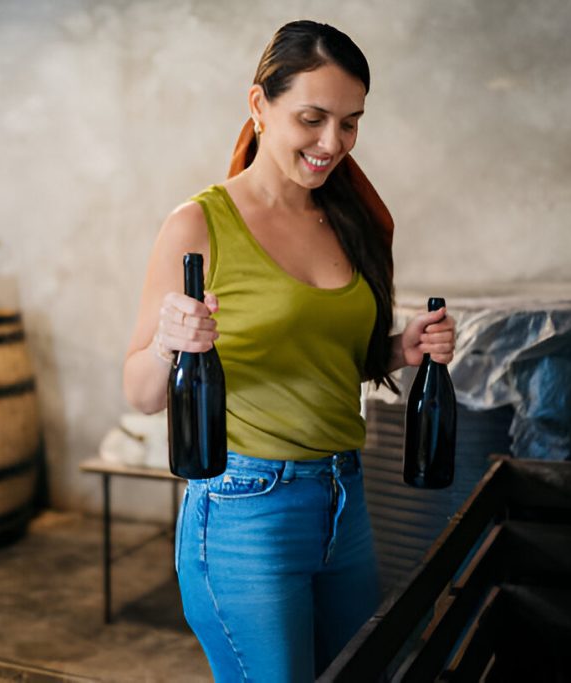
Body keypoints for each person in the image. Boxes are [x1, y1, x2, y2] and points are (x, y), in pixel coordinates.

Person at [122, 20, 456, 682]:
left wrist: (399, 348)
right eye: (313, 118)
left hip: (343, 498)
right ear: (259, 106)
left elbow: (330, 357)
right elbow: (139, 390)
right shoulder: (199, 223)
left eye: (351, 122)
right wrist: (169, 341)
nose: (333, 143)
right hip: (246, 510)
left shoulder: (349, 218)